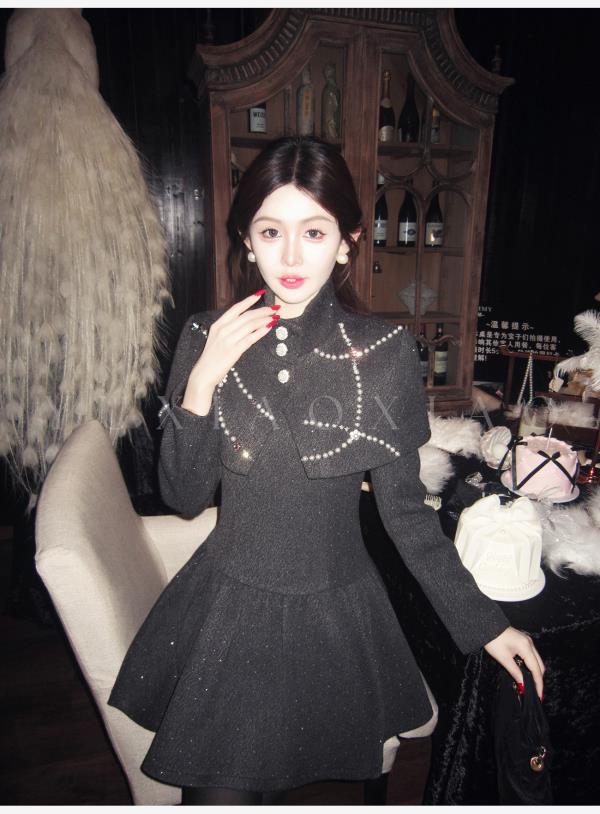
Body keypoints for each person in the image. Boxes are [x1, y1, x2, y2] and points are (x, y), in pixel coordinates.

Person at [108, 137, 545, 805]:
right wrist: (201, 381)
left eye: (313, 232)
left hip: (336, 608)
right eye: (270, 231)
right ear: (246, 240)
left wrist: (487, 623)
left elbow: (406, 516)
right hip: (230, 601)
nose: (290, 256)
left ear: (346, 243)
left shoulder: (385, 351)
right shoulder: (204, 336)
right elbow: (185, 497)